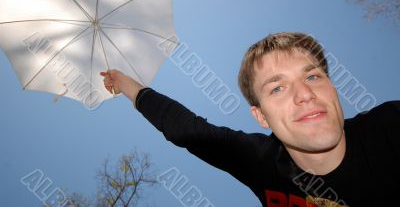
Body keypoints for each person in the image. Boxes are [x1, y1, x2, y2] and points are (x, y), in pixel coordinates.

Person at [100, 32, 399, 207]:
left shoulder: (390, 126)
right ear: (261, 116)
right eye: (278, 87)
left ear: (332, 87)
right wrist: (125, 82)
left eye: (312, 76)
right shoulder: (262, 162)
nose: (305, 93)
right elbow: (185, 129)